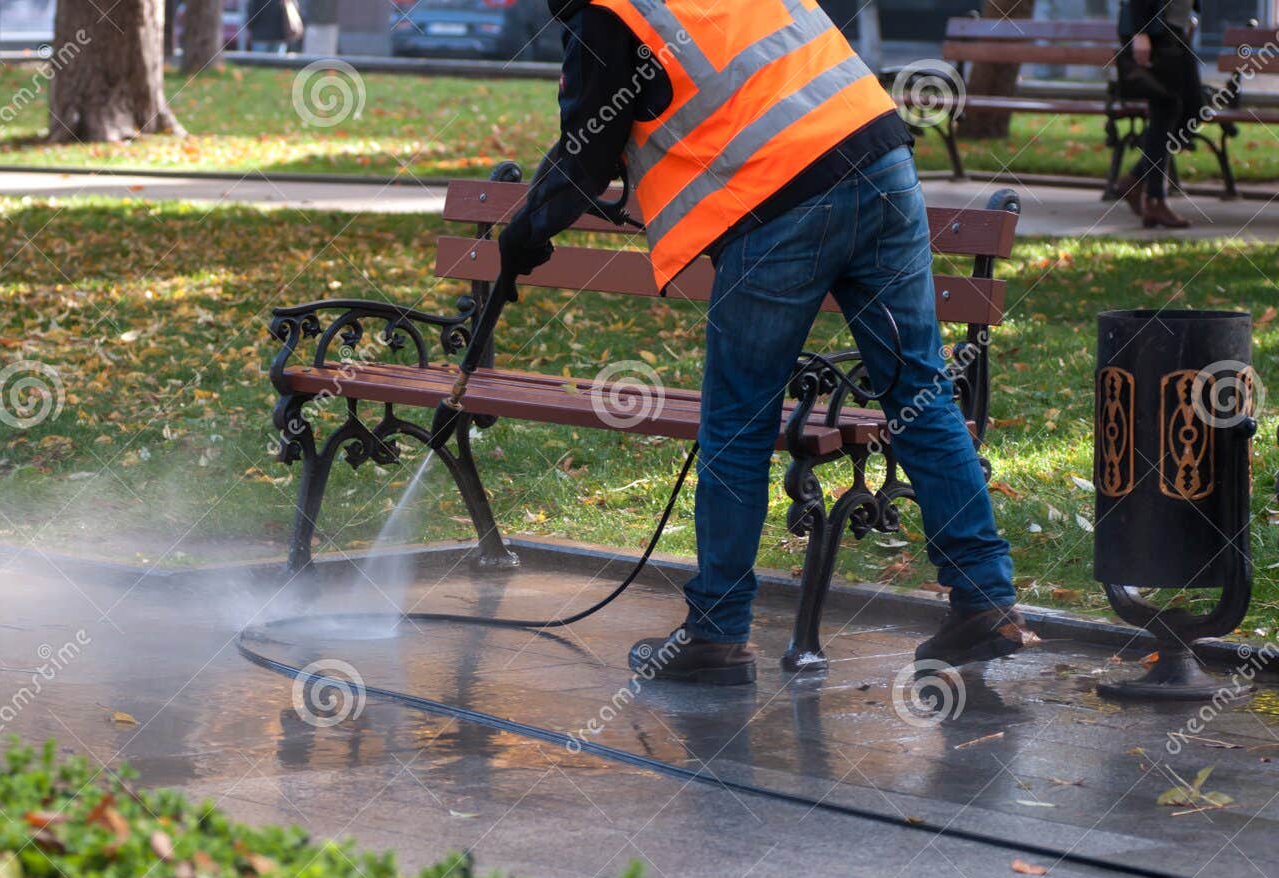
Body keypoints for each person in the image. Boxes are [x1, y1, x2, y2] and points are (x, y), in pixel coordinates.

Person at [498, 0, 1033, 685]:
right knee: (919, 389)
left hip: (780, 198)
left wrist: (522, 236)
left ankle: (717, 631)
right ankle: (983, 595)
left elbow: (587, 152)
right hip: (879, 157)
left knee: (738, 419)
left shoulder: (608, 11)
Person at [1115, 0, 1202, 229]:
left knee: (1193, 109)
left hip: (1174, 27)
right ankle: (1155, 199)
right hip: (1153, 29)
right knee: (1166, 110)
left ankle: (1134, 180)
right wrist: (1140, 31)